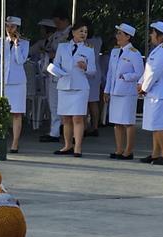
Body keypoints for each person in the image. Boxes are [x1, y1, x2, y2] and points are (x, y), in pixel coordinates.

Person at [50, 18, 96, 158]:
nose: (83, 34)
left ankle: (78, 147)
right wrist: (55, 71)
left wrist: (86, 67)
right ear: (73, 32)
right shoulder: (63, 47)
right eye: (81, 31)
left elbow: (93, 71)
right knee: (66, 118)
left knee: (78, 118)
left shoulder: (89, 50)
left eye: (86, 32)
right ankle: (67, 145)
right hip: (64, 85)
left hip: (80, 87)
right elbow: (56, 63)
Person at [137, 21, 163, 166]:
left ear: (160, 36)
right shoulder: (160, 49)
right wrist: (140, 83)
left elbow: (154, 72)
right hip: (156, 92)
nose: (151, 35)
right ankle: (155, 154)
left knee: (160, 126)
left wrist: (144, 88)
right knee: (155, 125)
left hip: (161, 93)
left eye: (153, 33)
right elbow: (148, 69)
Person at [103, 23, 144, 160]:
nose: (117, 36)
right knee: (117, 122)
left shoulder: (134, 53)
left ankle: (128, 150)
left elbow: (139, 73)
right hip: (115, 91)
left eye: (120, 34)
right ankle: (119, 149)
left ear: (128, 37)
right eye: (117, 33)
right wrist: (107, 90)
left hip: (127, 92)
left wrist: (126, 76)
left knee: (127, 122)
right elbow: (110, 73)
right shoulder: (115, 52)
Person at [0, 16, 29, 154]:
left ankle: (15, 142)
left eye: (12, 26)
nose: (9, 29)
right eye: (7, 26)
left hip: (18, 82)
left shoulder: (25, 43)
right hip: (3, 81)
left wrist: (17, 44)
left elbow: (21, 61)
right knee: (1, 112)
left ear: (17, 28)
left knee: (17, 113)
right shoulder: (0, 41)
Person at [39, 9, 71, 143]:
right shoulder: (57, 34)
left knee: (59, 104)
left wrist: (54, 54)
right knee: (53, 104)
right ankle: (55, 130)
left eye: (58, 22)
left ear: (64, 21)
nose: (56, 26)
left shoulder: (69, 34)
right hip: (52, 71)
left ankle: (58, 132)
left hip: (61, 72)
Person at [85, 25, 103, 137]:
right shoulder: (98, 41)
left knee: (90, 101)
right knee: (93, 101)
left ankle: (92, 126)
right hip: (95, 72)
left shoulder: (88, 43)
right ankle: (94, 125)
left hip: (90, 72)